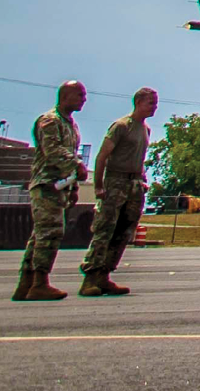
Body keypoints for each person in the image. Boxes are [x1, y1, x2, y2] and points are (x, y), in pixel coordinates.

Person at [78, 88, 156, 297]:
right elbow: (102, 157)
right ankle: (90, 278)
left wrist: (142, 180)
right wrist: (99, 186)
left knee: (124, 233)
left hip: (134, 185)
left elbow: (139, 159)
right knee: (105, 230)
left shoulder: (146, 129)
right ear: (138, 102)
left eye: (155, 103)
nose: (154, 107)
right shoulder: (121, 126)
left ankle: (105, 275)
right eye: (151, 103)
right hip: (115, 182)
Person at [13, 81, 87, 302]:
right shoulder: (50, 121)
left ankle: (26, 284)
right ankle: (39, 283)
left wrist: (73, 188)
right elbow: (53, 151)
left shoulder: (70, 125)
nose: (84, 99)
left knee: (40, 236)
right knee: (50, 233)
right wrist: (76, 165)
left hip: (59, 187)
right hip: (46, 186)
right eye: (80, 94)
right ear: (65, 96)